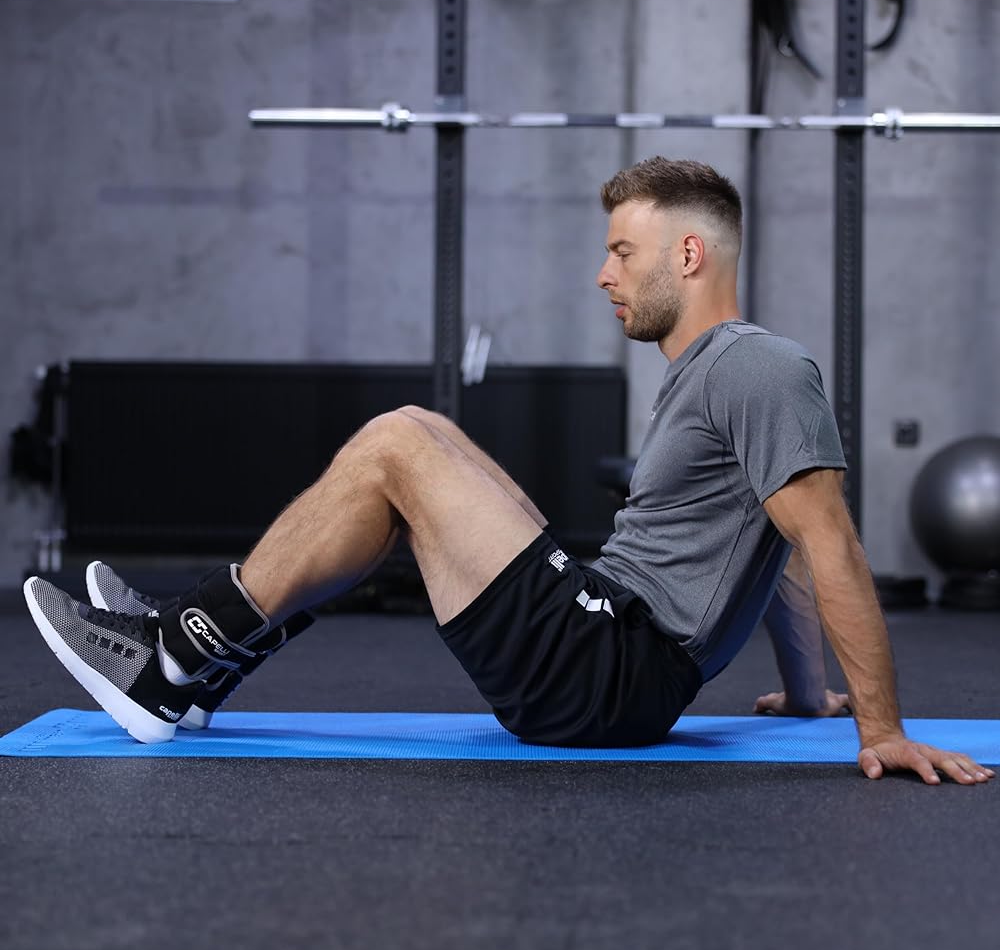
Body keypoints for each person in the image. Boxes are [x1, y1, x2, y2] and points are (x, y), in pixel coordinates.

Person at [24, 157, 992, 786]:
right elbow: (779, 554)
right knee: (418, 431)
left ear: (689, 253)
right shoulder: (713, 372)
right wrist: (810, 695)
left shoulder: (759, 367)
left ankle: (171, 655)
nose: (605, 274)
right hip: (608, 647)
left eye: (623, 252)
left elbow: (827, 542)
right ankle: (203, 666)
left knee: (396, 445)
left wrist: (880, 729)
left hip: (611, 670)